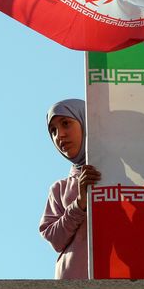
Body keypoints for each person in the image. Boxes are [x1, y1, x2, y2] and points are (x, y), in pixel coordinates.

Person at [39, 99, 101, 279]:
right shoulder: (59, 189)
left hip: (119, 285)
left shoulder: (119, 176)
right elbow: (55, 238)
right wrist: (80, 203)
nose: (60, 136)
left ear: (86, 122)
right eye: (53, 131)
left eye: (66, 124)